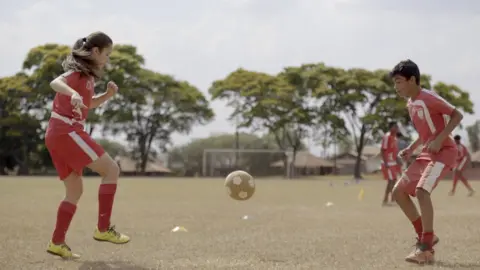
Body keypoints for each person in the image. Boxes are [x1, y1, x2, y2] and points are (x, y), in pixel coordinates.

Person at [45, 31, 130, 259]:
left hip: (57, 133)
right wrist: (71, 92)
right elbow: (55, 82)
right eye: (107, 54)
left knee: (75, 190)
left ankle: (57, 243)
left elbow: (87, 105)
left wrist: (108, 95)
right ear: (95, 51)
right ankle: (103, 229)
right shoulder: (77, 74)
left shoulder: (89, 78)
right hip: (66, 131)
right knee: (111, 169)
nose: (108, 59)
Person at [390, 59, 463, 264]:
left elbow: (457, 115)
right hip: (426, 154)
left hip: (444, 151)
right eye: (394, 83)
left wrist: (440, 140)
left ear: (412, 80)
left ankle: (426, 248)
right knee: (398, 192)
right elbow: (425, 133)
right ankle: (426, 235)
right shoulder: (410, 103)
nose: (396, 87)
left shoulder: (428, 97)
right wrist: (411, 148)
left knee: (422, 192)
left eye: (399, 82)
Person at [381, 122, 400, 206]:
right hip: (387, 163)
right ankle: (385, 200)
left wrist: (398, 160)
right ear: (390, 128)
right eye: (394, 127)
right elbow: (382, 149)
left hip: (393, 163)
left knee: (394, 181)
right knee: (391, 181)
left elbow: (395, 152)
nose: (396, 128)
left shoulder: (395, 138)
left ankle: (392, 199)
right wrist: (385, 163)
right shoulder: (387, 137)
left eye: (397, 127)